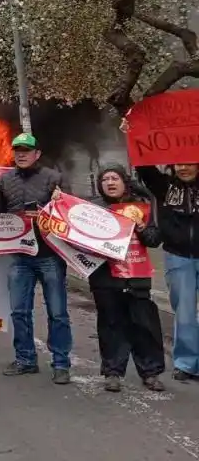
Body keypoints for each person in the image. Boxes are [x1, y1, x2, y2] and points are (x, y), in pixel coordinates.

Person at [0, 133, 71, 384]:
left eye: (26, 150)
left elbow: (69, 213)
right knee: (19, 312)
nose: (21, 154)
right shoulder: (4, 180)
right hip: (19, 257)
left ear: (37, 154)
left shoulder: (53, 178)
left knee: (58, 313)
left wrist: (56, 204)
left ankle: (61, 364)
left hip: (50, 256)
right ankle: (25, 359)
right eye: (17, 150)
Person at [87, 164, 165, 392]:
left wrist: (141, 225)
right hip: (105, 277)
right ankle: (113, 372)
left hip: (137, 276)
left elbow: (154, 240)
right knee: (111, 325)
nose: (110, 183)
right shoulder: (92, 209)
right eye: (105, 180)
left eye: (115, 178)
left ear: (124, 181)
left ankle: (150, 373)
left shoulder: (142, 205)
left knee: (144, 326)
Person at [135, 161, 199, 381]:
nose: (184, 168)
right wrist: (132, 131)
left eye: (189, 163)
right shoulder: (164, 186)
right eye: (179, 164)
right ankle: (186, 364)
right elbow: (143, 165)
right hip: (178, 256)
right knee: (185, 312)